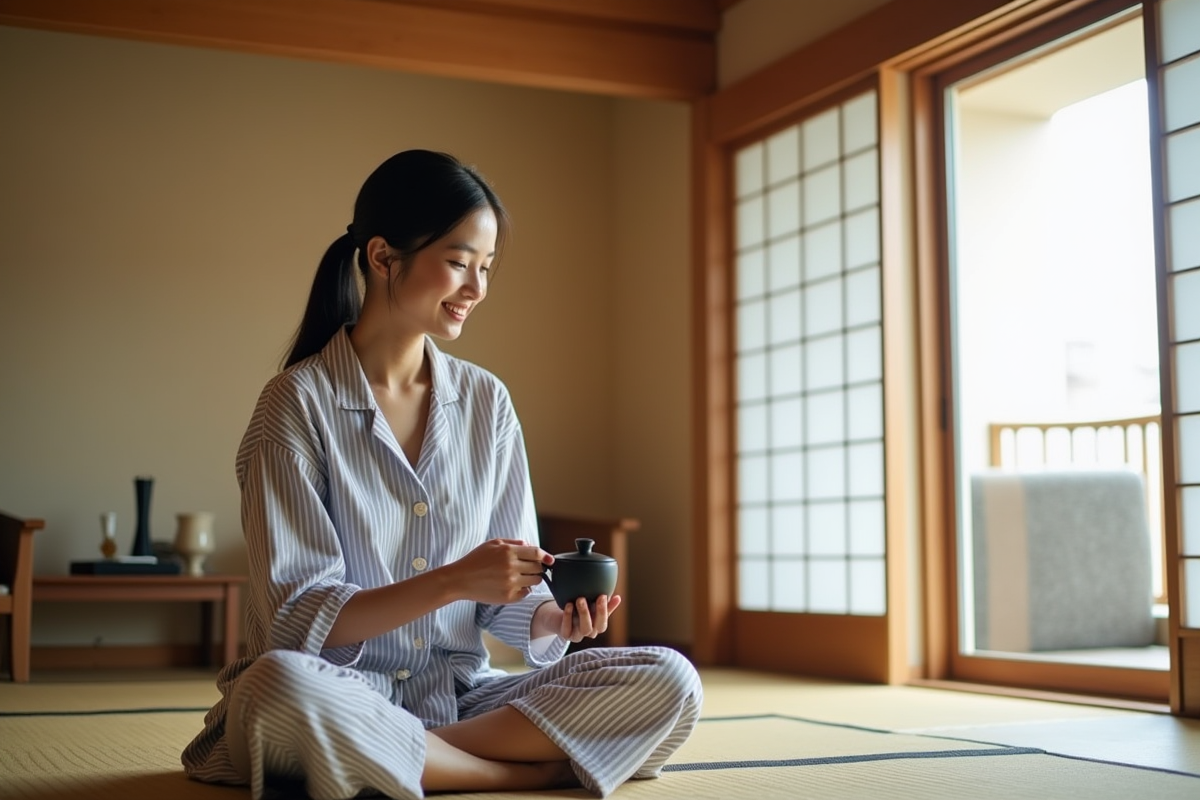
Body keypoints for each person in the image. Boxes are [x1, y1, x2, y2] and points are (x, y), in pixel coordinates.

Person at [181, 149, 702, 799]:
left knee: (668, 678)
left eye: (486, 269)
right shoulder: (294, 404)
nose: (477, 289)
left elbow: (509, 594)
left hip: (458, 701)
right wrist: (452, 579)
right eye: (459, 263)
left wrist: (552, 621)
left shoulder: (488, 404)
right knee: (277, 689)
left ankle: (396, 757)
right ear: (382, 257)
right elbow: (297, 618)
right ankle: (513, 772)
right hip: (326, 690)